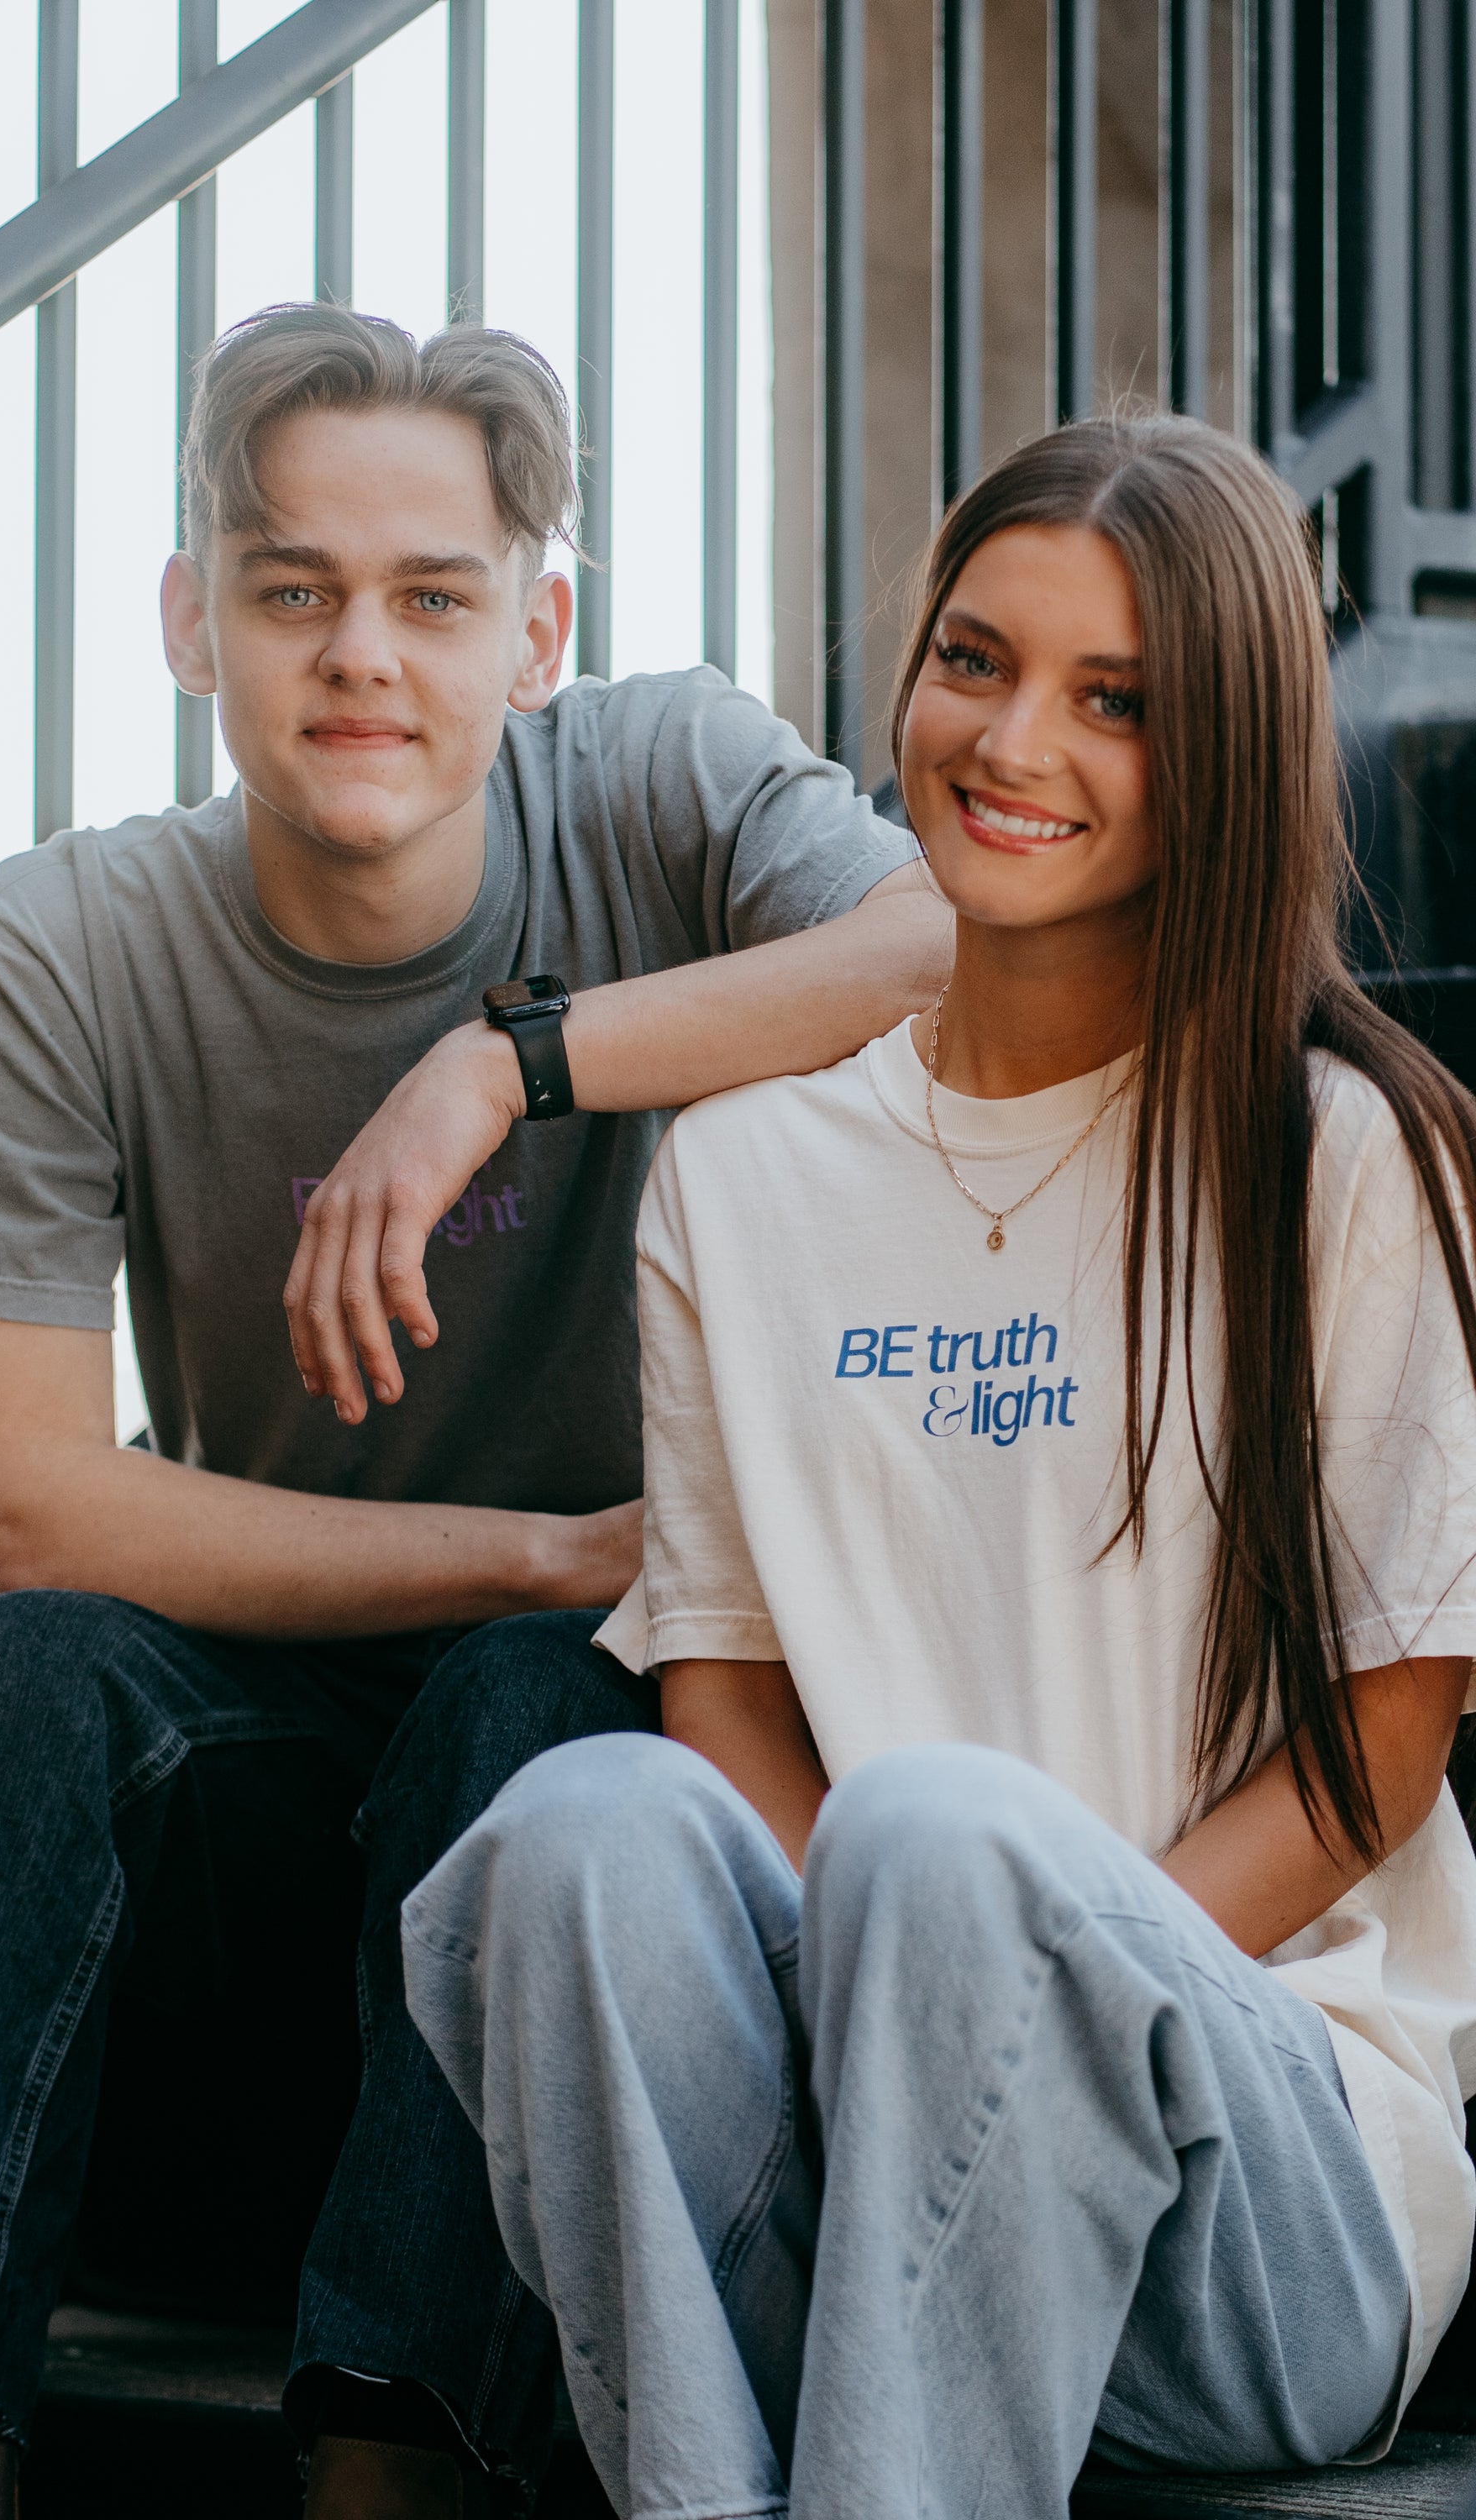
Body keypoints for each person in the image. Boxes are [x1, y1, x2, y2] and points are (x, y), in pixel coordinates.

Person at [0, 304, 954, 2520]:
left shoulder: (657, 784)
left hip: (580, 1766)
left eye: (434, 597)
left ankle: (388, 2459)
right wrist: (544, 1544)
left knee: (536, 1701)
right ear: (188, 622)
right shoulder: (59, 939)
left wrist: (505, 1056)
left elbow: (945, 951)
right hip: (259, 1769)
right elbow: (30, 1508)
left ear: (537, 632)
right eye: (291, 587)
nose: (361, 657)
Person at [398, 414, 1476, 2520]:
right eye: (974, 659)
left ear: (1230, 749)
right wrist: (885, 2042)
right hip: (885, 2108)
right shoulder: (738, 1176)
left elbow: (1387, 1744)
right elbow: (718, 1683)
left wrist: (1018, 2002)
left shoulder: (1345, 1152)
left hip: (1271, 2184)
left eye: (1117, 701)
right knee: (583, 1823)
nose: (1015, 740)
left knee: (953, 1848)